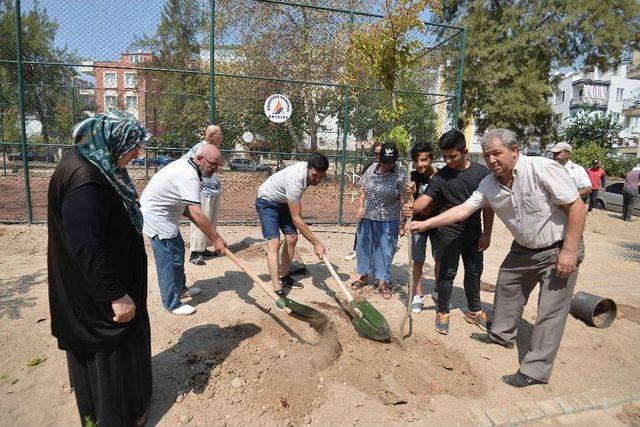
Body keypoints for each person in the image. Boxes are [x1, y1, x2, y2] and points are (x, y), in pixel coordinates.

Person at [411, 128, 586, 388]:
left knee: (550, 310)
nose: (492, 159)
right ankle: (502, 335)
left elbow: (577, 207)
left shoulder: (541, 168)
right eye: (487, 154)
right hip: (524, 248)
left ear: (514, 151)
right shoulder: (489, 183)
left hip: (558, 247)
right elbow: (463, 210)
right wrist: (426, 225)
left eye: (497, 153)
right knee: (506, 284)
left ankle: (536, 370)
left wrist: (569, 251)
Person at [47, 111, 152, 426]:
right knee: (109, 353)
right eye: (133, 146)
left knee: (115, 351)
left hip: (97, 284)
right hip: (96, 292)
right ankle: (116, 417)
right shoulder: (86, 181)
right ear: (112, 141)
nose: (138, 154)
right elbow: (87, 246)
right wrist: (117, 294)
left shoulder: (98, 166)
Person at [404, 129, 493, 335]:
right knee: (447, 273)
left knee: (474, 271)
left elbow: (488, 207)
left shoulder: (482, 174)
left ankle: (474, 310)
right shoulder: (441, 177)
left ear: (465, 151)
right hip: (448, 233)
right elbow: (425, 200)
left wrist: (486, 233)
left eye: (452, 156)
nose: (447, 160)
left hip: (473, 233)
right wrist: (412, 206)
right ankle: (442, 310)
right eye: (444, 156)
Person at [141, 144, 228, 315]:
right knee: (167, 259)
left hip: (168, 215)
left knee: (178, 250)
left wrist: (212, 235)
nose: (215, 168)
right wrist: (216, 239)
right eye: (213, 164)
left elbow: (189, 210)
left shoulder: (191, 168)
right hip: (157, 217)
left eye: (218, 165)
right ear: (200, 159)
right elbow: (195, 211)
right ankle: (171, 303)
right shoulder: (189, 175)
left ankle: (180, 288)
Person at [255, 152, 329, 301]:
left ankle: (285, 276)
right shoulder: (296, 180)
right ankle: (277, 289)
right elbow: (297, 218)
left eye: (321, 177)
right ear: (308, 168)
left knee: (292, 238)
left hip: (283, 202)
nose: (318, 180)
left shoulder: (308, 173)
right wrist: (316, 243)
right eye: (315, 176)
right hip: (267, 202)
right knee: (274, 243)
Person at [351, 142, 407, 299]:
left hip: (389, 218)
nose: (387, 166)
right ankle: (363, 276)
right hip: (368, 216)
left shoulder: (401, 174)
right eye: (384, 162)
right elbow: (363, 191)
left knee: (386, 250)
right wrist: (360, 206)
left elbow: (403, 198)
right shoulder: (371, 169)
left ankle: (382, 281)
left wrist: (404, 221)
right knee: (364, 248)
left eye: (391, 162)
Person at [405, 142, 441, 313]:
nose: (420, 164)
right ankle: (418, 295)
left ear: (431, 159)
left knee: (440, 259)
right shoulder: (412, 176)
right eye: (416, 161)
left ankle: (439, 291)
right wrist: (410, 192)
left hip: (438, 223)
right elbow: (409, 198)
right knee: (417, 260)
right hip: (418, 224)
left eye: (424, 160)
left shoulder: (441, 176)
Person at [185, 125, 224, 265]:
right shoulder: (199, 148)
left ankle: (203, 248)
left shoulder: (214, 149)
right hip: (203, 190)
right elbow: (187, 162)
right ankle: (195, 252)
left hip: (213, 189)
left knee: (211, 220)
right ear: (211, 135)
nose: (222, 136)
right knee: (201, 220)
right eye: (220, 133)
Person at [344, 142, 382, 261]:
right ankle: (356, 249)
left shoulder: (391, 168)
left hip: (383, 207)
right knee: (361, 227)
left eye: (381, 153)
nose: (378, 156)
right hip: (369, 204)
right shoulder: (370, 167)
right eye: (376, 153)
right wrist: (361, 206)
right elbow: (363, 188)